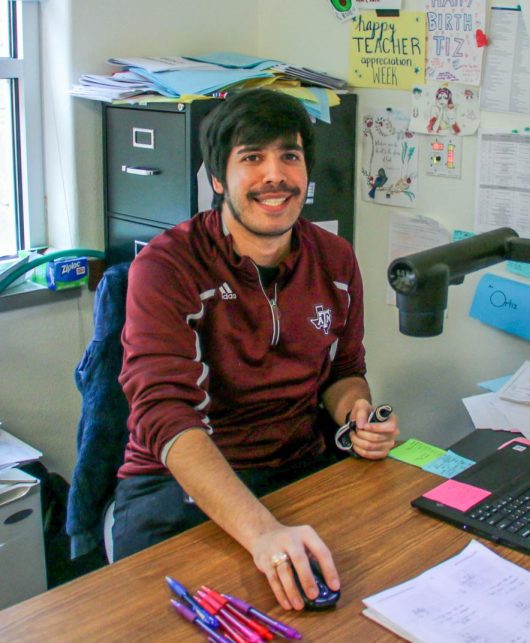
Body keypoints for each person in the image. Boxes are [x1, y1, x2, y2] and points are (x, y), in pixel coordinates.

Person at [112, 89, 399, 611]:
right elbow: (165, 414)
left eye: (289, 156)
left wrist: (356, 413)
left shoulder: (334, 259)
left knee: (373, 589)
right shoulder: (166, 266)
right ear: (218, 179)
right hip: (177, 489)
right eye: (252, 158)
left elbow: (346, 371)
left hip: (298, 468)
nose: (276, 175)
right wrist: (263, 532)